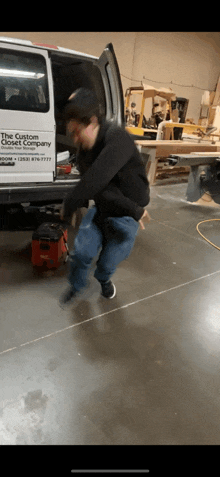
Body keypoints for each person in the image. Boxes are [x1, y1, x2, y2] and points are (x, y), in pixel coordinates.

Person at [59, 88, 150, 307]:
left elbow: (96, 180)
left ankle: (104, 280)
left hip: (127, 216)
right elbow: (100, 190)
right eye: (71, 134)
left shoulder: (117, 137)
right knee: (81, 253)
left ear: (93, 121)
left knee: (106, 264)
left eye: (78, 131)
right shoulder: (84, 151)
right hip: (103, 208)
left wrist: (134, 210)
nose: (75, 139)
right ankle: (77, 285)